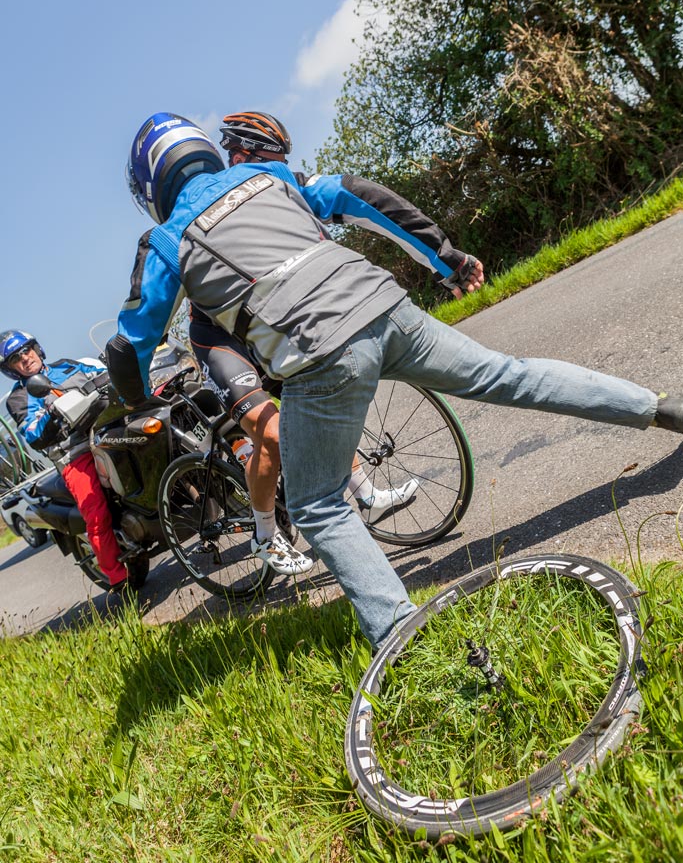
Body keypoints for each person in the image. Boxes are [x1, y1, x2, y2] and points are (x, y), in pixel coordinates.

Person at [106, 112, 683, 650]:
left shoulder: (165, 242)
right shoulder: (267, 176)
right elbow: (361, 195)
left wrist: (135, 402)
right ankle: (658, 408)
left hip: (320, 354)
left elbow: (131, 343)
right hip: (389, 309)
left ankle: (401, 639)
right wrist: (447, 258)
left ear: (149, 188)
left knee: (317, 505)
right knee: (510, 375)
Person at [187, 111, 419, 575]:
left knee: (323, 396)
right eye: (268, 157)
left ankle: (363, 492)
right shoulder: (199, 210)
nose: (277, 166)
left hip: (265, 326)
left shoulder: (270, 191)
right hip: (220, 339)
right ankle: (264, 534)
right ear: (239, 155)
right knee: (273, 436)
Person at [1, 330, 128, 590]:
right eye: (15, 358)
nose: (25, 358)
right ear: (11, 369)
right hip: (74, 452)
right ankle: (119, 580)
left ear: (36, 348)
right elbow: (32, 433)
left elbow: (101, 372)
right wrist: (52, 415)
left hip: (109, 427)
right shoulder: (19, 397)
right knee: (95, 510)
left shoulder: (67, 365)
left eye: (26, 350)